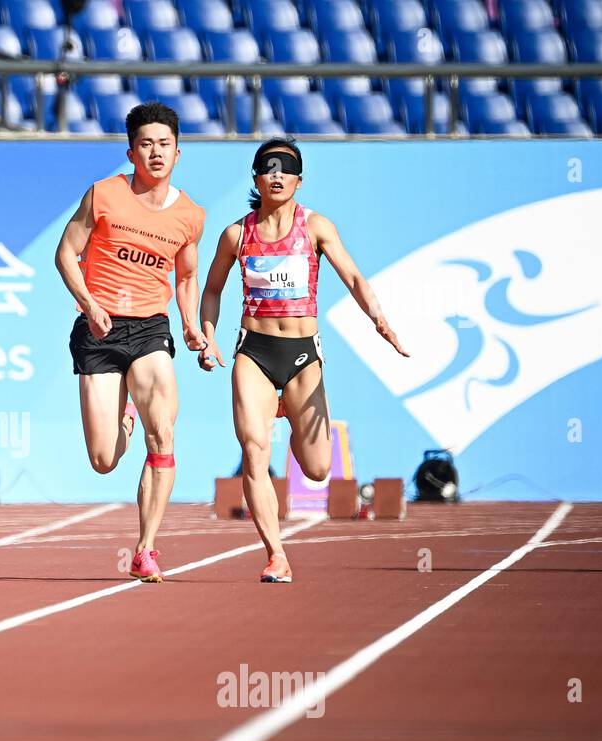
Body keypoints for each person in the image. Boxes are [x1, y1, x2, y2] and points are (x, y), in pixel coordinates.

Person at [197, 137, 410, 583]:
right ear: (255, 177)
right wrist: (209, 337)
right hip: (253, 353)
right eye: (267, 167)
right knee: (254, 451)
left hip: (301, 355)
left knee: (316, 469)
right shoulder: (237, 234)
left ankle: (289, 411)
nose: (276, 175)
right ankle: (276, 554)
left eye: (285, 168)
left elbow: (352, 275)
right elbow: (213, 288)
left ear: (298, 178)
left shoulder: (315, 227)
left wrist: (380, 320)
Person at [55, 102, 206, 583]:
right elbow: (65, 252)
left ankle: (146, 548)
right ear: (131, 152)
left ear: (178, 153)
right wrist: (89, 304)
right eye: (146, 144)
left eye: (164, 144)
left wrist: (191, 326)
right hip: (99, 329)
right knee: (103, 460)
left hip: (150, 331)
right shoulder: (103, 194)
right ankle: (125, 415)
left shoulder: (190, 215)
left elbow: (185, 278)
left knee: (162, 435)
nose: (156, 152)